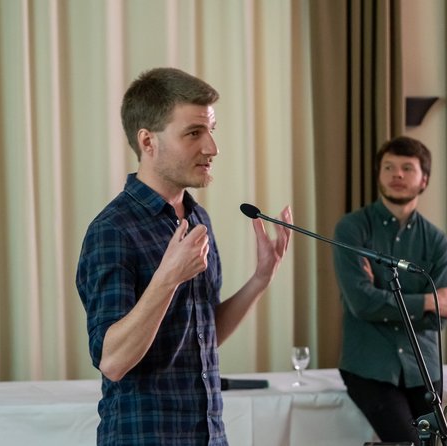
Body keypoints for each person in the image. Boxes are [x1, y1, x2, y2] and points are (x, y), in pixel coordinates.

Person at [76, 67, 292, 446]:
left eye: (211, 130)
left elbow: (203, 334)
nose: (212, 147)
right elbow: (113, 361)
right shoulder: (112, 230)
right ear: (148, 141)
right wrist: (167, 279)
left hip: (208, 436)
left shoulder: (196, 217)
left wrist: (260, 278)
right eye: (194, 133)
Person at [332, 136, 447, 446]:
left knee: (440, 443)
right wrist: (428, 300)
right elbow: (361, 303)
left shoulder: (436, 240)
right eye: (388, 167)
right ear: (379, 175)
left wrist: (385, 301)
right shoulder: (352, 229)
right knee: (408, 442)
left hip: (424, 369)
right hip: (370, 368)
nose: (397, 175)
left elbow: (438, 320)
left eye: (407, 168)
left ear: (424, 180)